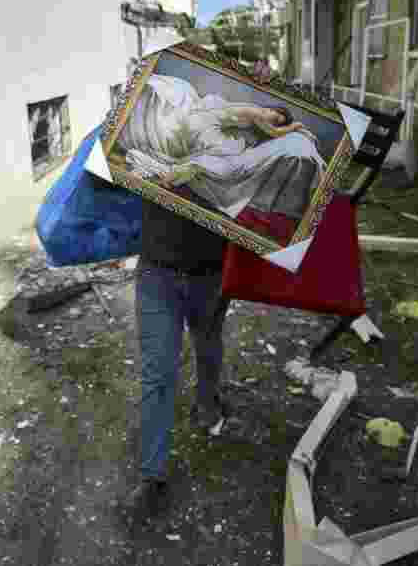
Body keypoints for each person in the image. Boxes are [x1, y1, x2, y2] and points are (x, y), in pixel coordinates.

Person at [117, 74, 302, 526]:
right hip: (157, 272)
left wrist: (280, 134)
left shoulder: (248, 160)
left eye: (279, 119)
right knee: (157, 373)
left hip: (209, 275)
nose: (271, 120)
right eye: (270, 113)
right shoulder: (196, 122)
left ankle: (208, 400)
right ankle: (152, 476)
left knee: (208, 346)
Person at [116, 74, 327, 221]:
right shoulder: (251, 114)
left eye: (278, 121)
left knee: (218, 155)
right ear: (269, 109)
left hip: (198, 130)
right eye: (276, 115)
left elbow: (266, 130)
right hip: (196, 125)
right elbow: (269, 125)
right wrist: (294, 128)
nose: (274, 121)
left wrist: (289, 130)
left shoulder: (246, 127)